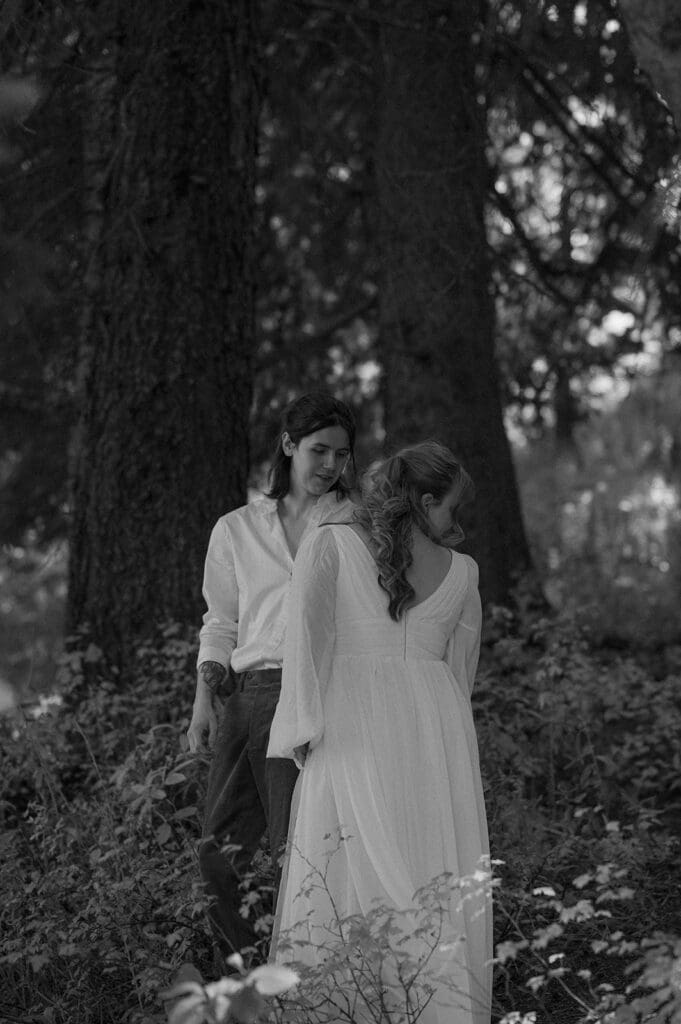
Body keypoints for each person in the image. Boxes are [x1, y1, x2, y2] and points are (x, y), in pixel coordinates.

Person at [267, 440, 492, 1024]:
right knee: (428, 855)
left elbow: (307, 645)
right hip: (433, 730)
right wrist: (449, 744)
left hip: (350, 721)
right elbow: (459, 675)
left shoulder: (328, 544)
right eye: (449, 508)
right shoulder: (463, 573)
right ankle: (431, 1001)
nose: (456, 524)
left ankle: (347, 1003)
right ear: (423, 500)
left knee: (345, 859)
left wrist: (301, 727)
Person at [187, 392, 356, 966]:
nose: (330, 465)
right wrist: (201, 706)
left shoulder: (353, 525)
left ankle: (316, 985)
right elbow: (220, 622)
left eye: (341, 454)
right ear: (288, 445)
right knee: (218, 857)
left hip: (316, 696)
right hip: (248, 699)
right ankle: (253, 976)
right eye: (318, 450)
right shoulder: (236, 529)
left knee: (301, 852)